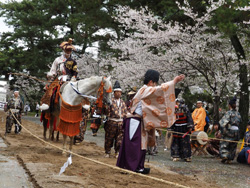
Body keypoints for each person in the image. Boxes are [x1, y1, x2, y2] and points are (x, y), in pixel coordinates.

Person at [117, 69, 185, 174]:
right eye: (155, 83)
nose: (155, 85)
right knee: (135, 145)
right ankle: (131, 166)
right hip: (135, 121)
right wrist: (174, 81)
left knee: (141, 145)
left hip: (139, 121)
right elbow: (160, 90)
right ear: (150, 82)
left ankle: (139, 166)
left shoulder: (145, 90)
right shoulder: (145, 89)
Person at [40, 38, 78, 111]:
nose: (68, 51)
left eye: (70, 50)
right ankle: (47, 105)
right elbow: (53, 70)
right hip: (59, 78)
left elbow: (75, 71)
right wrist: (51, 74)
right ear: (63, 50)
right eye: (67, 50)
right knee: (50, 90)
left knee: (79, 90)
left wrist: (74, 77)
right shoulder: (57, 60)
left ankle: (82, 107)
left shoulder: (73, 61)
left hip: (70, 79)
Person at [104, 81, 127, 158]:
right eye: (116, 92)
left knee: (119, 139)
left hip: (120, 123)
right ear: (114, 92)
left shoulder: (123, 102)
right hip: (112, 122)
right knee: (109, 138)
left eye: (119, 92)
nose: (118, 94)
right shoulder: (110, 101)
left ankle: (117, 152)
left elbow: (125, 112)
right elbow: (107, 111)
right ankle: (107, 151)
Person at [219, 96, 241, 164]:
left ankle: (225, 156)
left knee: (225, 143)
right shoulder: (238, 114)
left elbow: (223, 123)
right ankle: (230, 159)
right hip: (236, 131)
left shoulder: (229, 113)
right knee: (233, 145)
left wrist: (222, 131)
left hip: (229, 131)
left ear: (229, 105)